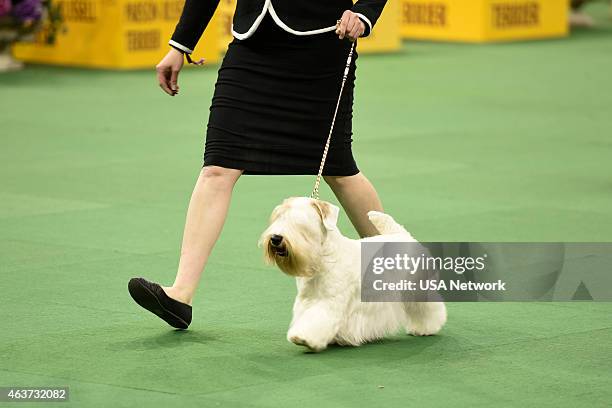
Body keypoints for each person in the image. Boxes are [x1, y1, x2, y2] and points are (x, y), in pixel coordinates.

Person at [128, 0, 388, 329]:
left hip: (322, 45)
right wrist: (180, 44)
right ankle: (180, 295)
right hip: (251, 48)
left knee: (339, 169)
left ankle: (398, 274)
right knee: (217, 166)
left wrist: (364, 13)